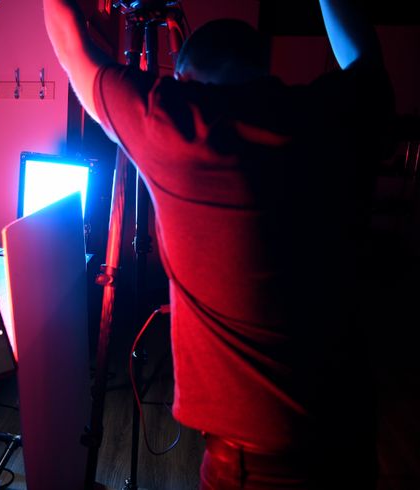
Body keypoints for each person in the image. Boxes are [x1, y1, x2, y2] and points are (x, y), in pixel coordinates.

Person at [42, 0, 394, 488]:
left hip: (257, 469)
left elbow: (71, 50)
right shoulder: (335, 116)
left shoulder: (186, 129)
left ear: (186, 80)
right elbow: (364, 59)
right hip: (351, 438)